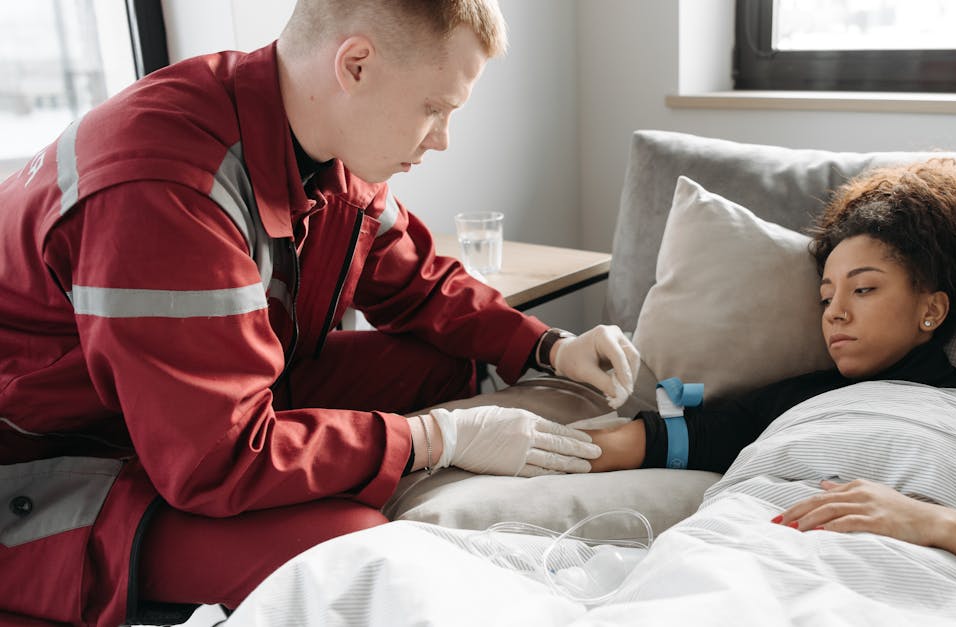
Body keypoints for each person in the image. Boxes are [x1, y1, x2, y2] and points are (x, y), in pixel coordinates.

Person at [0, 1, 637, 625]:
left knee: (446, 361)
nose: (443, 139)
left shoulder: (323, 148)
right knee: (351, 549)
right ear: (356, 65)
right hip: (62, 466)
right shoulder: (163, 192)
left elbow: (414, 278)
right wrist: (435, 440)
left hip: (195, 403)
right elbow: (216, 457)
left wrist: (551, 346)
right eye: (434, 108)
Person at [585, 158, 956, 626]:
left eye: (863, 290)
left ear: (931, 309)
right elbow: (672, 438)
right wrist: (539, 444)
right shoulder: (797, 400)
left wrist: (933, 523)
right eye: (825, 296)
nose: (834, 314)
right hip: (740, 558)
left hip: (914, 586)